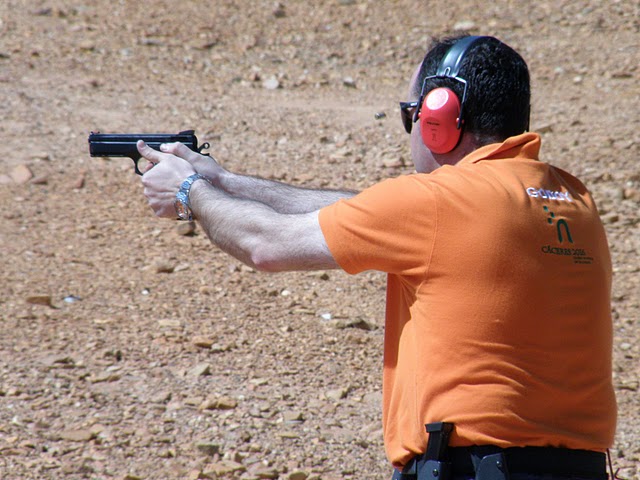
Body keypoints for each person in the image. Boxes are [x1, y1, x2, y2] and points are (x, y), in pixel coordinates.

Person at [136, 35, 616, 480]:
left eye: (412, 113)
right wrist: (223, 182)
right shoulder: (573, 199)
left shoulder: (436, 205)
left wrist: (188, 191)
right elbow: (375, 211)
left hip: (472, 470)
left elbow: (265, 244)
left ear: (440, 117)